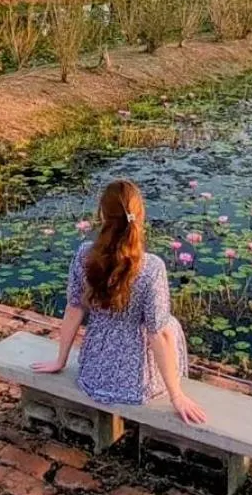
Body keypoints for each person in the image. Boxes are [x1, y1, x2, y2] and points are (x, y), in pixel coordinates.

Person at [32, 179, 207, 424]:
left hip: (93, 373)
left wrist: (60, 360)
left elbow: (74, 309)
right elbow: (158, 335)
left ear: (102, 215)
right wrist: (176, 395)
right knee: (169, 326)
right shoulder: (152, 267)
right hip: (138, 385)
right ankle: (177, 384)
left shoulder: (84, 255)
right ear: (140, 215)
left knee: (164, 324)